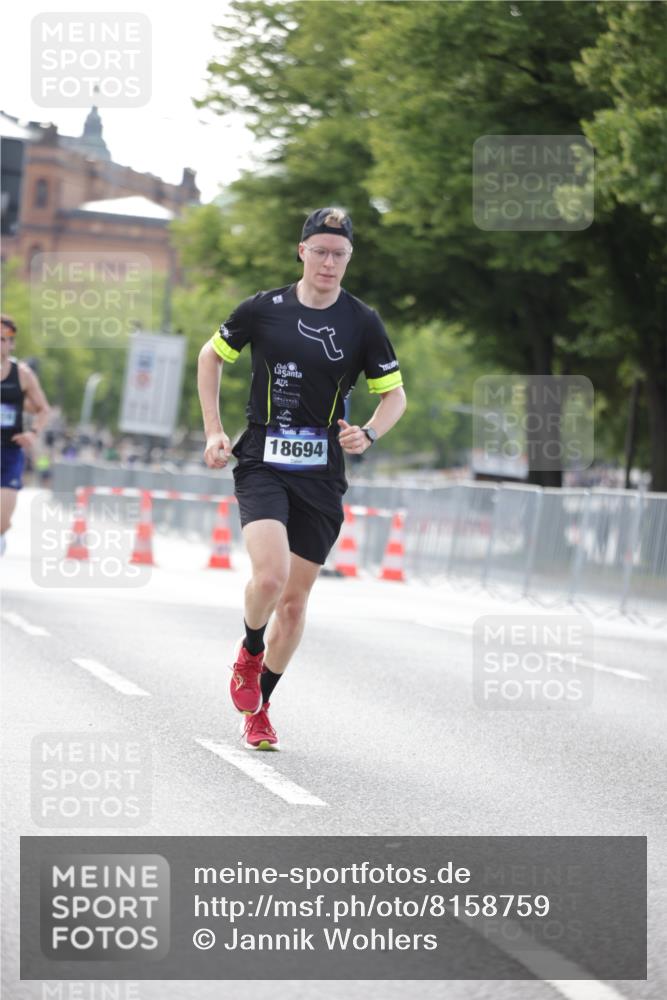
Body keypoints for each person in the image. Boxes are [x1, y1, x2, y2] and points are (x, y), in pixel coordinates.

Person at [198, 207, 406, 750]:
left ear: (349, 259)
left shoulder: (363, 322)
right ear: (302, 251)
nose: (329, 263)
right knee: (268, 579)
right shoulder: (263, 309)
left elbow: (395, 396)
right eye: (321, 251)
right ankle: (248, 651)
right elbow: (210, 355)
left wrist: (370, 433)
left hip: (321, 474)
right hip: (263, 458)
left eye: (340, 254)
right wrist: (214, 430)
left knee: (293, 602)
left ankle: (261, 706)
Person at [0, 315, 51, 554]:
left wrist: (33, 433)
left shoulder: (22, 374)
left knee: (2, 521)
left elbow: (43, 409)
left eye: (3, 339)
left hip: (9, 452)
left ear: (11, 344)